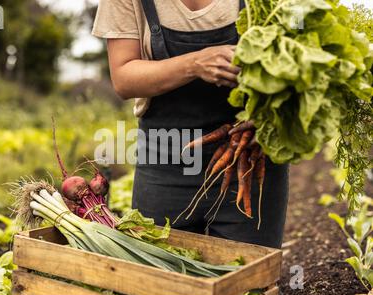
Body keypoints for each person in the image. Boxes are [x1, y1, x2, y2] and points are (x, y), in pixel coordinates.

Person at [92, 0, 289, 249]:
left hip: (249, 157)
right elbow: (123, 79)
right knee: (162, 280)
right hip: (164, 157)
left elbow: (299, 56)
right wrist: (195, 64)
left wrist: (271, 111)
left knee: (250, 282)